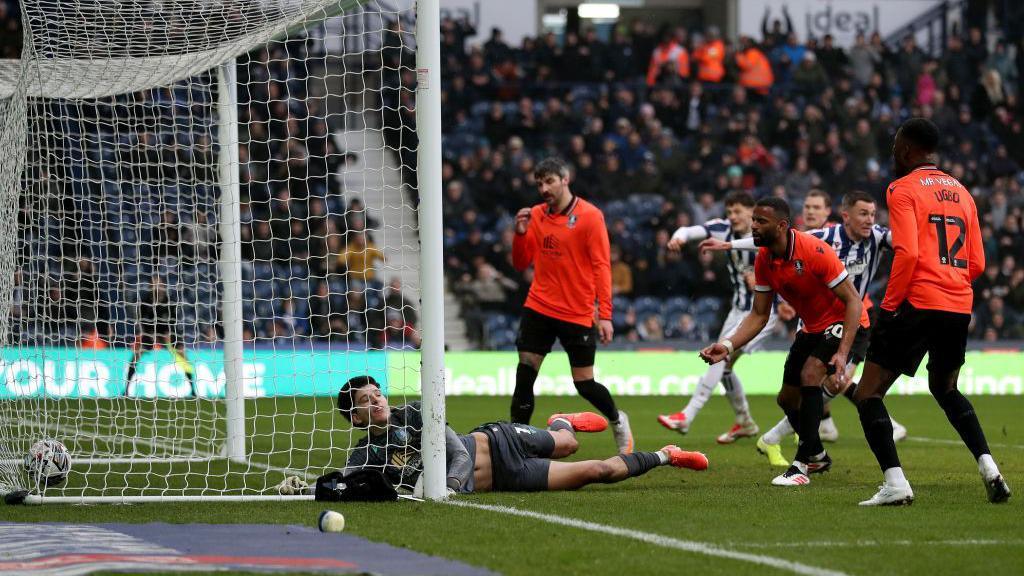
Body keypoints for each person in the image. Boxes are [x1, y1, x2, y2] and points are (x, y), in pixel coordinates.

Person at [851, 118, 1010, 506]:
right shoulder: (964, 192)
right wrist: (951, 281)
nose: (892, 154)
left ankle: (896, 483)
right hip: (958, 305)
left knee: (868, 394)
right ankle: (990, 468)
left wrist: (890, 306)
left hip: (917, 302)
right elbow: (977, 264)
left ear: (906, 150)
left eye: (894, 147)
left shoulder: (902, 188)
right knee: (946, 388)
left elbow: (907, 252)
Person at [703, 191, 908, 465]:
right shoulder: (768, 257)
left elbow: (854, 300)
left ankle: (802, 463)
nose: (753, 225)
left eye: (760, 221)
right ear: (845, 216)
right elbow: (758, 315)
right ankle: (818, 453)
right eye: (753, 220)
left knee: (815, 375)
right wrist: (727, 345)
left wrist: (843, 353)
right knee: (787, 399)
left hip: (850, 318)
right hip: (812, 325)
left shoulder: (816, 249)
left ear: (781, 226)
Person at [275, 376, 708, 496]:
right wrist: (301, 488)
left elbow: (456, 454)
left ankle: (561, 419)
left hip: (498, 441)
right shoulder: (366, 451)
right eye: (367, 402)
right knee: (596, 470)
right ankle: (667, 454)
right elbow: (347, 480)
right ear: (355, 418)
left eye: (378, 393)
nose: (379, 401)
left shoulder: (416, 412)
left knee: (570, 442)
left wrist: (445, 488)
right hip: (507, 479)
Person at [510, 158, 633, 454]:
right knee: (525, 372)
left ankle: (618, 421)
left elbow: (602, 266)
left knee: (585, 384)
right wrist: (520, 233)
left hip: (577, 311)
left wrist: (605, 315)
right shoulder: (536, 215)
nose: (544, 189)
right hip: (539, 305)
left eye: (549, 181)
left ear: (565, 179)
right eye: (539, 183)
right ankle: (515, 442)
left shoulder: (590, 216)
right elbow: (520, 263)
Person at [656, 191, 776, 444]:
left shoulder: (765, 233)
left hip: (766, 311)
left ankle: (687, 415)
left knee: (721, 356)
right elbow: (690, 231)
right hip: (738, 309)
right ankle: (744, 421)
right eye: (729, 212)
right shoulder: (722, 229)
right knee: (725, 366)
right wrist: (678, 238)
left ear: (752, 212)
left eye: (738, 212)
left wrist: (770, 283)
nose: (732, 217)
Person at [125, 275, 195, 396]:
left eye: (159, 284)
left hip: (167, 332)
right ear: (151, 287)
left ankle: (192, 389)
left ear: (163, 286)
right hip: (151, 333)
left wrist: (169, 334)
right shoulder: (145, 302)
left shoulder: (169, 302)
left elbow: (173, 321)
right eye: (154, 285)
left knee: (182, 356)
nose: (157, 288)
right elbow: (142, 321)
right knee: (136, 356)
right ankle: (126, 389)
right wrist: (149, 333)